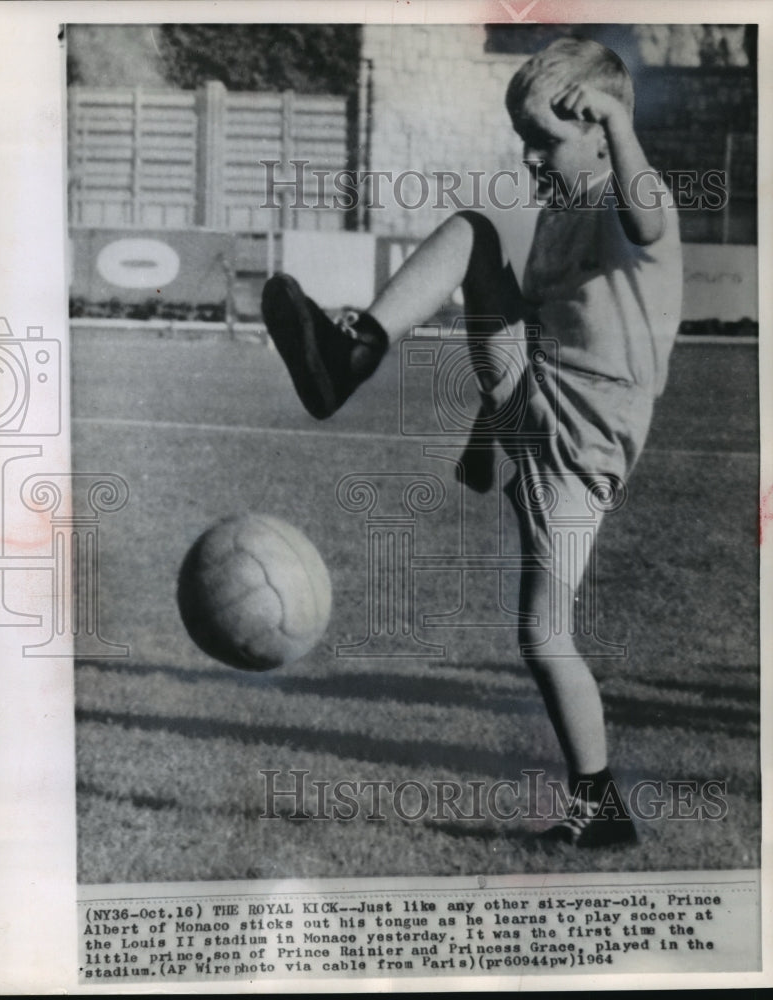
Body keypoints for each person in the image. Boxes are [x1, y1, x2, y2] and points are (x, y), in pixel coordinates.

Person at [261, 37, 682, 848]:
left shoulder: (630, 198)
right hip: (538, 396)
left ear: (601, 132)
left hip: (585, 441)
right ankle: (355, 352)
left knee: (541, 632)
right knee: (474, 235)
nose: (530, 156)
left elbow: (649, 215)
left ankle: (600, 803)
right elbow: (532, 327)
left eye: (547, 140)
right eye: (524, 139)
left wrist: (624, 130)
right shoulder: (560, 215)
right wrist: (491, 427)